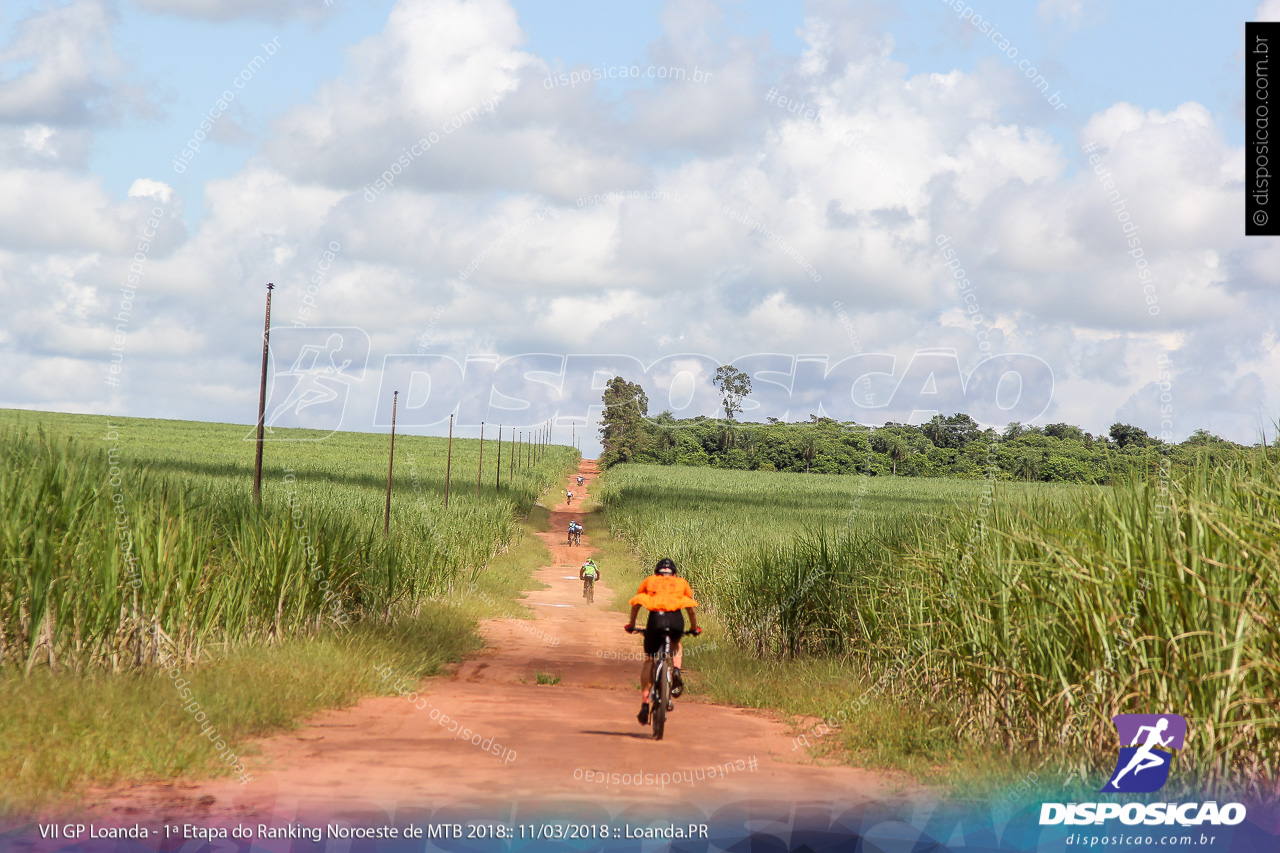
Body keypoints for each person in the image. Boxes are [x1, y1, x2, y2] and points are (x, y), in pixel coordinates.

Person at [623, 558, 700, 724]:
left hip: (656, 620)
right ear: (674, 573)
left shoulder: (650, 581)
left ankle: (645, 704)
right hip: (675, 620)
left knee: (650, 660)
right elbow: (690, 610)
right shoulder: (681, 583)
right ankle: (677, 670)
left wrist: (632, 625)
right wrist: (694, 628)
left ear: (657, 572)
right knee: (676, 643)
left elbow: (636, 604)